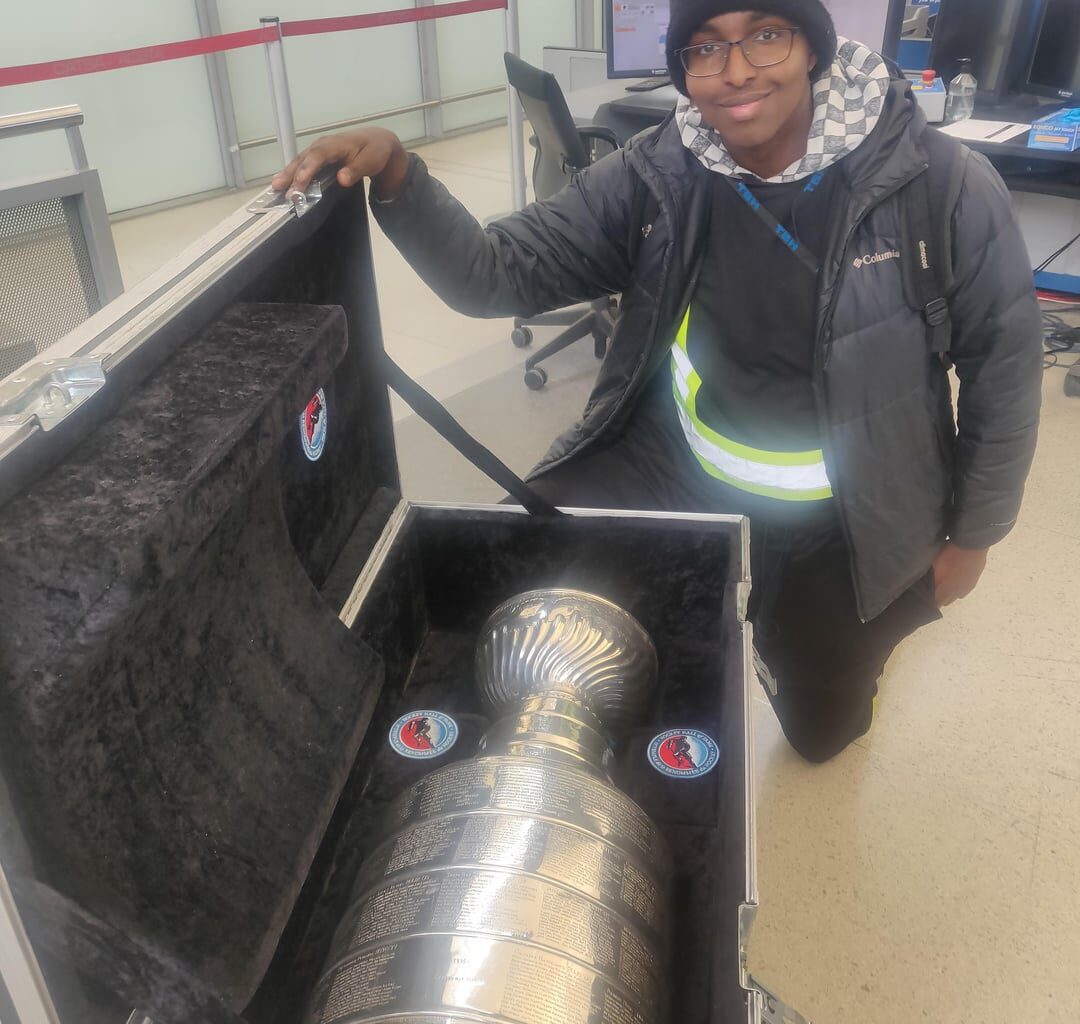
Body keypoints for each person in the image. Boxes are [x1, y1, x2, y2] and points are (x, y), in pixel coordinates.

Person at [272, 0, 1043, 763]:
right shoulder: (660, 170)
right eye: (704, 49)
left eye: (764, 37)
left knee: (823, 737)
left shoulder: (941, 186)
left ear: (812, 47)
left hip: (848, 517)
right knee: (517, 580)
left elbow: (1003, 374)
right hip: (680, 468)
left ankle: (849, 665)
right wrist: (403, 179)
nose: (734, 71)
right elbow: (493, 272)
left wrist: (973, 537)